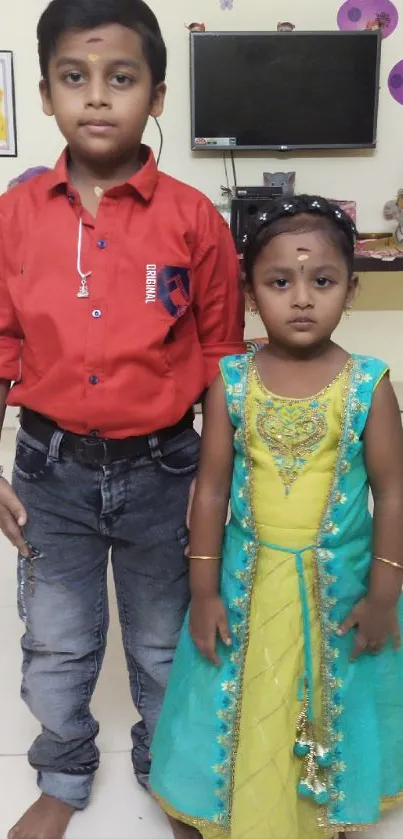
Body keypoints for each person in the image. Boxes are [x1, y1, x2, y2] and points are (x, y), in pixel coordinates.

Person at [0, 1, 244, 838]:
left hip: (166, 472)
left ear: (158, 96)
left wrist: (215, 481)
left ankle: (168, 773)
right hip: (50, 473)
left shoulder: (194, 221)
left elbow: (221, 360)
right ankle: (64, 776)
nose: (97, 98)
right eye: (75, 78)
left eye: (121, 78)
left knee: (163, 645)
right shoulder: (15, 217)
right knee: (58, 646)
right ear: (44, 95)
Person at [150, 195, 403, 839]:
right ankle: (216, 803)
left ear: (349, 290)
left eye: (322, 281)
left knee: (332, 691)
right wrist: (203, 590)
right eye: (279, 282)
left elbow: (393, 491)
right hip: (245, 584)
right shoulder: (231, 380)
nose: (301, 298)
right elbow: (209, 492)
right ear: (249, 291)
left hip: (340, 590)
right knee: (233, 690)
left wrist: (384, 592)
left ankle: (324, 807)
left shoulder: (369, 384)